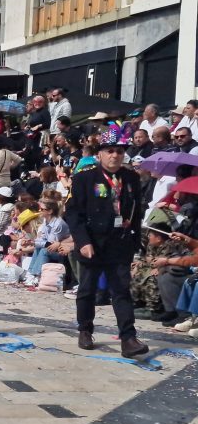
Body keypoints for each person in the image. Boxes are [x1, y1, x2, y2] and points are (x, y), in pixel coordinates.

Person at [65, 129, 149, 358]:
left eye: (119, 151)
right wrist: (82, 241)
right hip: (92, 242)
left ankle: (128, 338)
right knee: (87, 290)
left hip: (120, 243)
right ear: (100, 154)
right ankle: (85, 330)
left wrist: (135, 239)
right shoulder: (84, 177)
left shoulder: (131, 178)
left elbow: (137, 210)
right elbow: (73, 213)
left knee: (121, 290)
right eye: (110, 151)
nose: (115, 155)